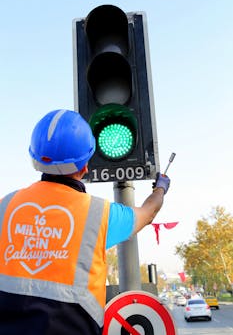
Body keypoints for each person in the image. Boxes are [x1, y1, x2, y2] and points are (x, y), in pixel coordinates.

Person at [0, 109, 170, 335]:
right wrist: (161, 187)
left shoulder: (6, 205)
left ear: (35, 159)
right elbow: (148, 213)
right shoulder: (100, 214)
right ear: (85, 166)